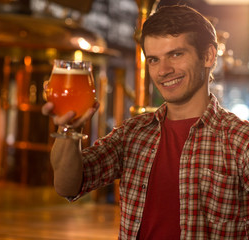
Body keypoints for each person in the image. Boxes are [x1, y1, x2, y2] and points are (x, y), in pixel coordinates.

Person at [42, 4, 249, 240]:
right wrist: (69, 127)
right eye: (153, 59)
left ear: (208, 56)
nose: (163, 71)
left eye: (176, 54)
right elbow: (68, 186)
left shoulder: (240, 141)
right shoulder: (133, 133)